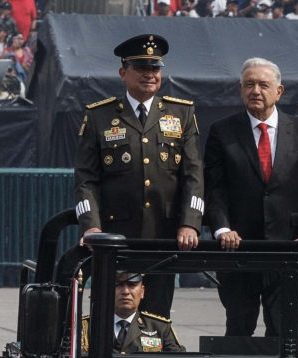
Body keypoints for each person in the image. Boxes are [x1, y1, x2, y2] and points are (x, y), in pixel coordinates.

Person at [73, 34, 205, 317]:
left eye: (155, 68)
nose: (150, 74)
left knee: (156, 315)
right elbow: (86, 179)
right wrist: (90, 227)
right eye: (141, 68)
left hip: (163, 235)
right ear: (123, 73)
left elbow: (193, 175)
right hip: (115, 236)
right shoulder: (99, 116)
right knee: (110, 312)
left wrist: (190, 223)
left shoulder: (181, 113)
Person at [204, 58, 298, 338]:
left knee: (284, 334)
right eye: (249, 85)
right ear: (240, 89)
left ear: (279, 91)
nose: (256, 91)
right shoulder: (222, 131)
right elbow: (215, 188)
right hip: (238, 249)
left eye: (263, 85)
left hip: (288, 248)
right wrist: (222, 228)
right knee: (238, 329)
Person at [79, 272, 185, 355]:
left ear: (142, 291)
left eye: (132, 285)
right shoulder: (85, 328)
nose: (125, 291)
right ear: (107, 290)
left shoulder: (160, 327)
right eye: (118, 285)